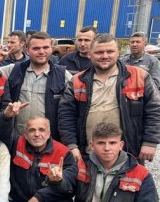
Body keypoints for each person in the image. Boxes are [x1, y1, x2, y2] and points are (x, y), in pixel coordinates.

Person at [58, 33, 160, 164]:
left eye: (110, 51)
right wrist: (71, 145)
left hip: (129, 152)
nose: (105, 56)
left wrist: (150, 142)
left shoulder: (139, 76)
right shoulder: (77, 80)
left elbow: (154, 110)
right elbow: (66, 115)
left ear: (118, 53)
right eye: (99, 52)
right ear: (90, 54)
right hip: (88, 154)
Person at [0, 31, 71, 139]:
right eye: (36, 48)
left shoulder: (63, 75)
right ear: (27, 50)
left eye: (45, 47)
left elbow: (70, 111)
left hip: (47, 140)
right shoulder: (13, 70)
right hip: (17, 139)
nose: (41, 52)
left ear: (52, 49)